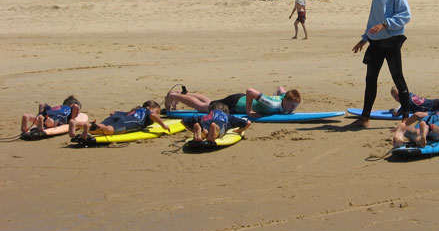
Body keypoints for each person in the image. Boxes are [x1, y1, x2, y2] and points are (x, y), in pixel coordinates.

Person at [349, 0, 412, 128]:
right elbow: (373, 19)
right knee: (370, 79)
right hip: (376, 41)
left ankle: (406, 117)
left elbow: (405, 15)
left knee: (397, 77)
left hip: (392, 39)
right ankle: (365, 118)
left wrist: (385, 24)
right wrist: (364, 38)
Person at [69, 100, 170, 143]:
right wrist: (163, 125)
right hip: (128, 122)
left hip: (119, 116)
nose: (157, 114)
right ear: (150, 107)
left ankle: (77, 123)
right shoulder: (147, 112)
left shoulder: (135, 110)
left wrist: (115, 113)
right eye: (158, 111)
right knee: (109, 130)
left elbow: (115, 113)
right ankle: (87, 125)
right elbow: (153, 115)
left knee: (99, 128)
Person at [164, 86, 301, 118]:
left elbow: (280, 88)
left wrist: (278, 94)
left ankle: (185, 94)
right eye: (292, 105)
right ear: (285, 101)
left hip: (238, 99)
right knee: (201, 107)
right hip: (234, 105)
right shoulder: (272, 104)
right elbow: (250, 91)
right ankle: (174, 96)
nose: (293, 109)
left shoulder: (283, 98)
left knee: (211, 102)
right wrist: (249, 111)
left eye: (295, 106)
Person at [182, 101, 251, 143]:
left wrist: (192, 130)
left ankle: (200, 131)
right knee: (218, 129)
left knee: (205, 129)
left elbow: (183, 121)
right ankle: (213, 133)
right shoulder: (229, 117)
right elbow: (248, 123)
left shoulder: (205, 116)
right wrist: (238, 131)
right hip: (220, 123)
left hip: (205, 120)